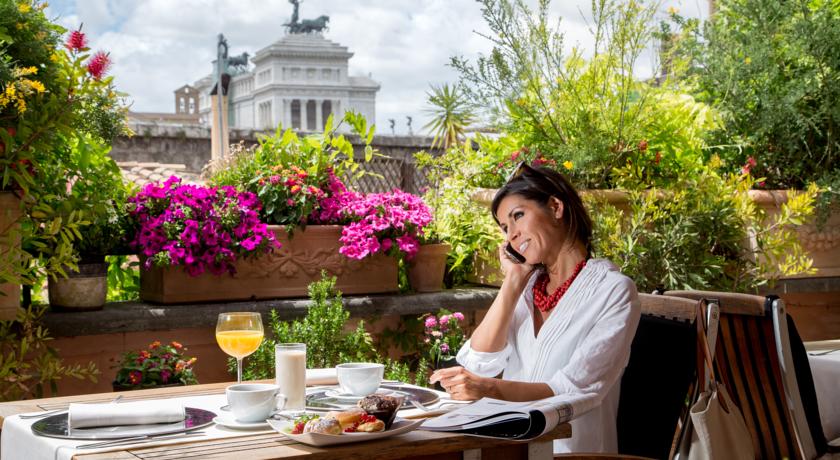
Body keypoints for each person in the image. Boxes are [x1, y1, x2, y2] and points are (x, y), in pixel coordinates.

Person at [430, 161, 640, 453]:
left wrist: (489, 389)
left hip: (572, 452)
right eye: (505, 228)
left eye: (518, 216)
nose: (511, 235)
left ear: (555, 207)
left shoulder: (613, 291)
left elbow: (575, 390)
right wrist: (513, 281)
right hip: (508, 447)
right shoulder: (529, 287)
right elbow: (478, 364)